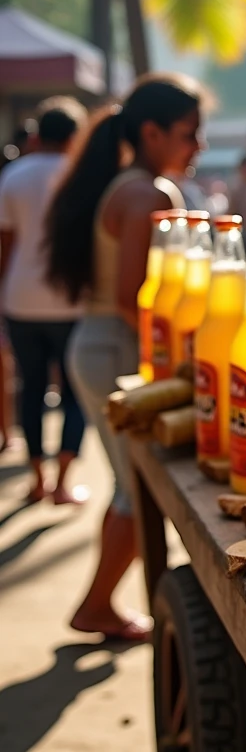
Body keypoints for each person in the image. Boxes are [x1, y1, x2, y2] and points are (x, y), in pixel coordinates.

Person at [44, 73, 200, 640]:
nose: (197, 148)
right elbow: (143, 299)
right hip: (116, 347)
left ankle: (99, 603)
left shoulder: (129, 186)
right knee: (137, 487)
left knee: (129, 484)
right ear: (153, 132)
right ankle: (96, 605)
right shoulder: (146, 193)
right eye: (189, 134)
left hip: (100, 343)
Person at [0, 98, 87, 498]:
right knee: (73, 393)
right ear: (75, 137)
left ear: (37, 136)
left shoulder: (14, 176)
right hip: (72, 301)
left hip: (20, 299)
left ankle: (36, 480)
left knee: (31, 388)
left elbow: (5, 244)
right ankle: (63, 483)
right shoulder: (81, 174)